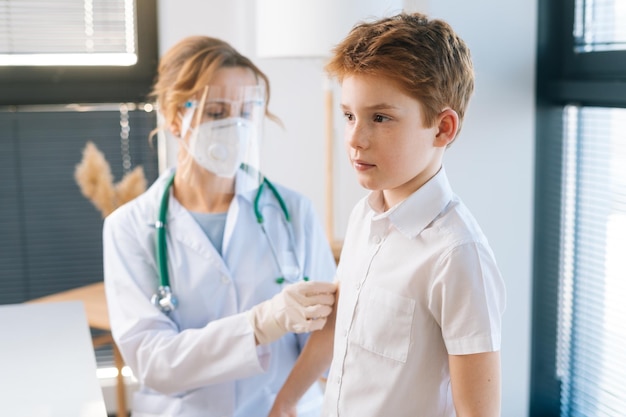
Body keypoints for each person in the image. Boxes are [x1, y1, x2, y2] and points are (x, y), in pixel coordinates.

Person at [269, 12, 506, 417]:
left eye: (380, 118)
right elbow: (337, 324)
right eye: (349, 115)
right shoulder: (365, 215)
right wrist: (285, 402)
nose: (355, 139)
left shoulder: (457, 255)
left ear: (443, 128)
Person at [102, 35, 338, 417]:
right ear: (174, 114)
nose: (235, 126)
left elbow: (330, 337)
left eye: (245, 112)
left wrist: (290, 398)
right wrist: (260, 324)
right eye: (216, 112)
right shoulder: (129, 228)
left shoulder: (293, 211)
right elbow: (152, 362)